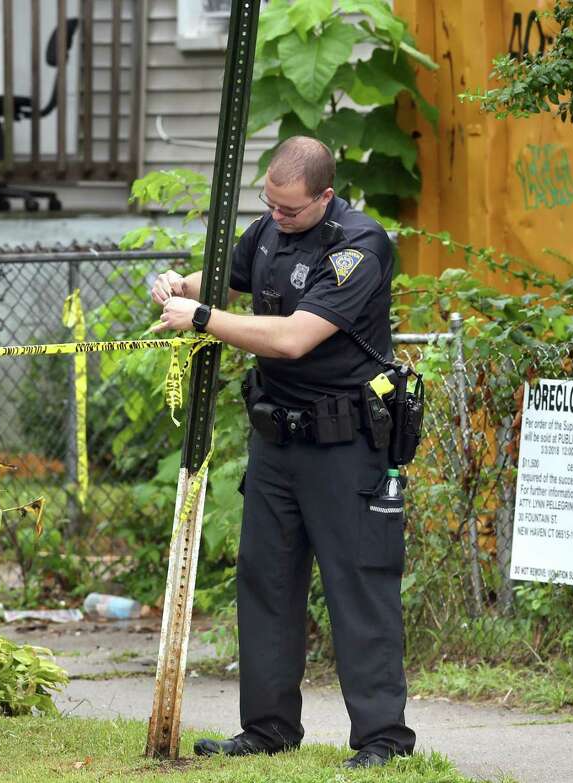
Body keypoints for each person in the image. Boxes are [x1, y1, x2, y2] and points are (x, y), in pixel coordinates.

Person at [149, 136, 415, 770]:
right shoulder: (269, 228)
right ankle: (268, 728)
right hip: (276, 443)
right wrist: (177, 285)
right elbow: (220, 280)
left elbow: (294, 339)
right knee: (265, 583)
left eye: (291, 210)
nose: (277, 218)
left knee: (358, 588)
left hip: (344, 445)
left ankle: (384, 739)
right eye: (269, 205)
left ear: (324, 196)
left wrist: (204, 316)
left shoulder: (361, 247)